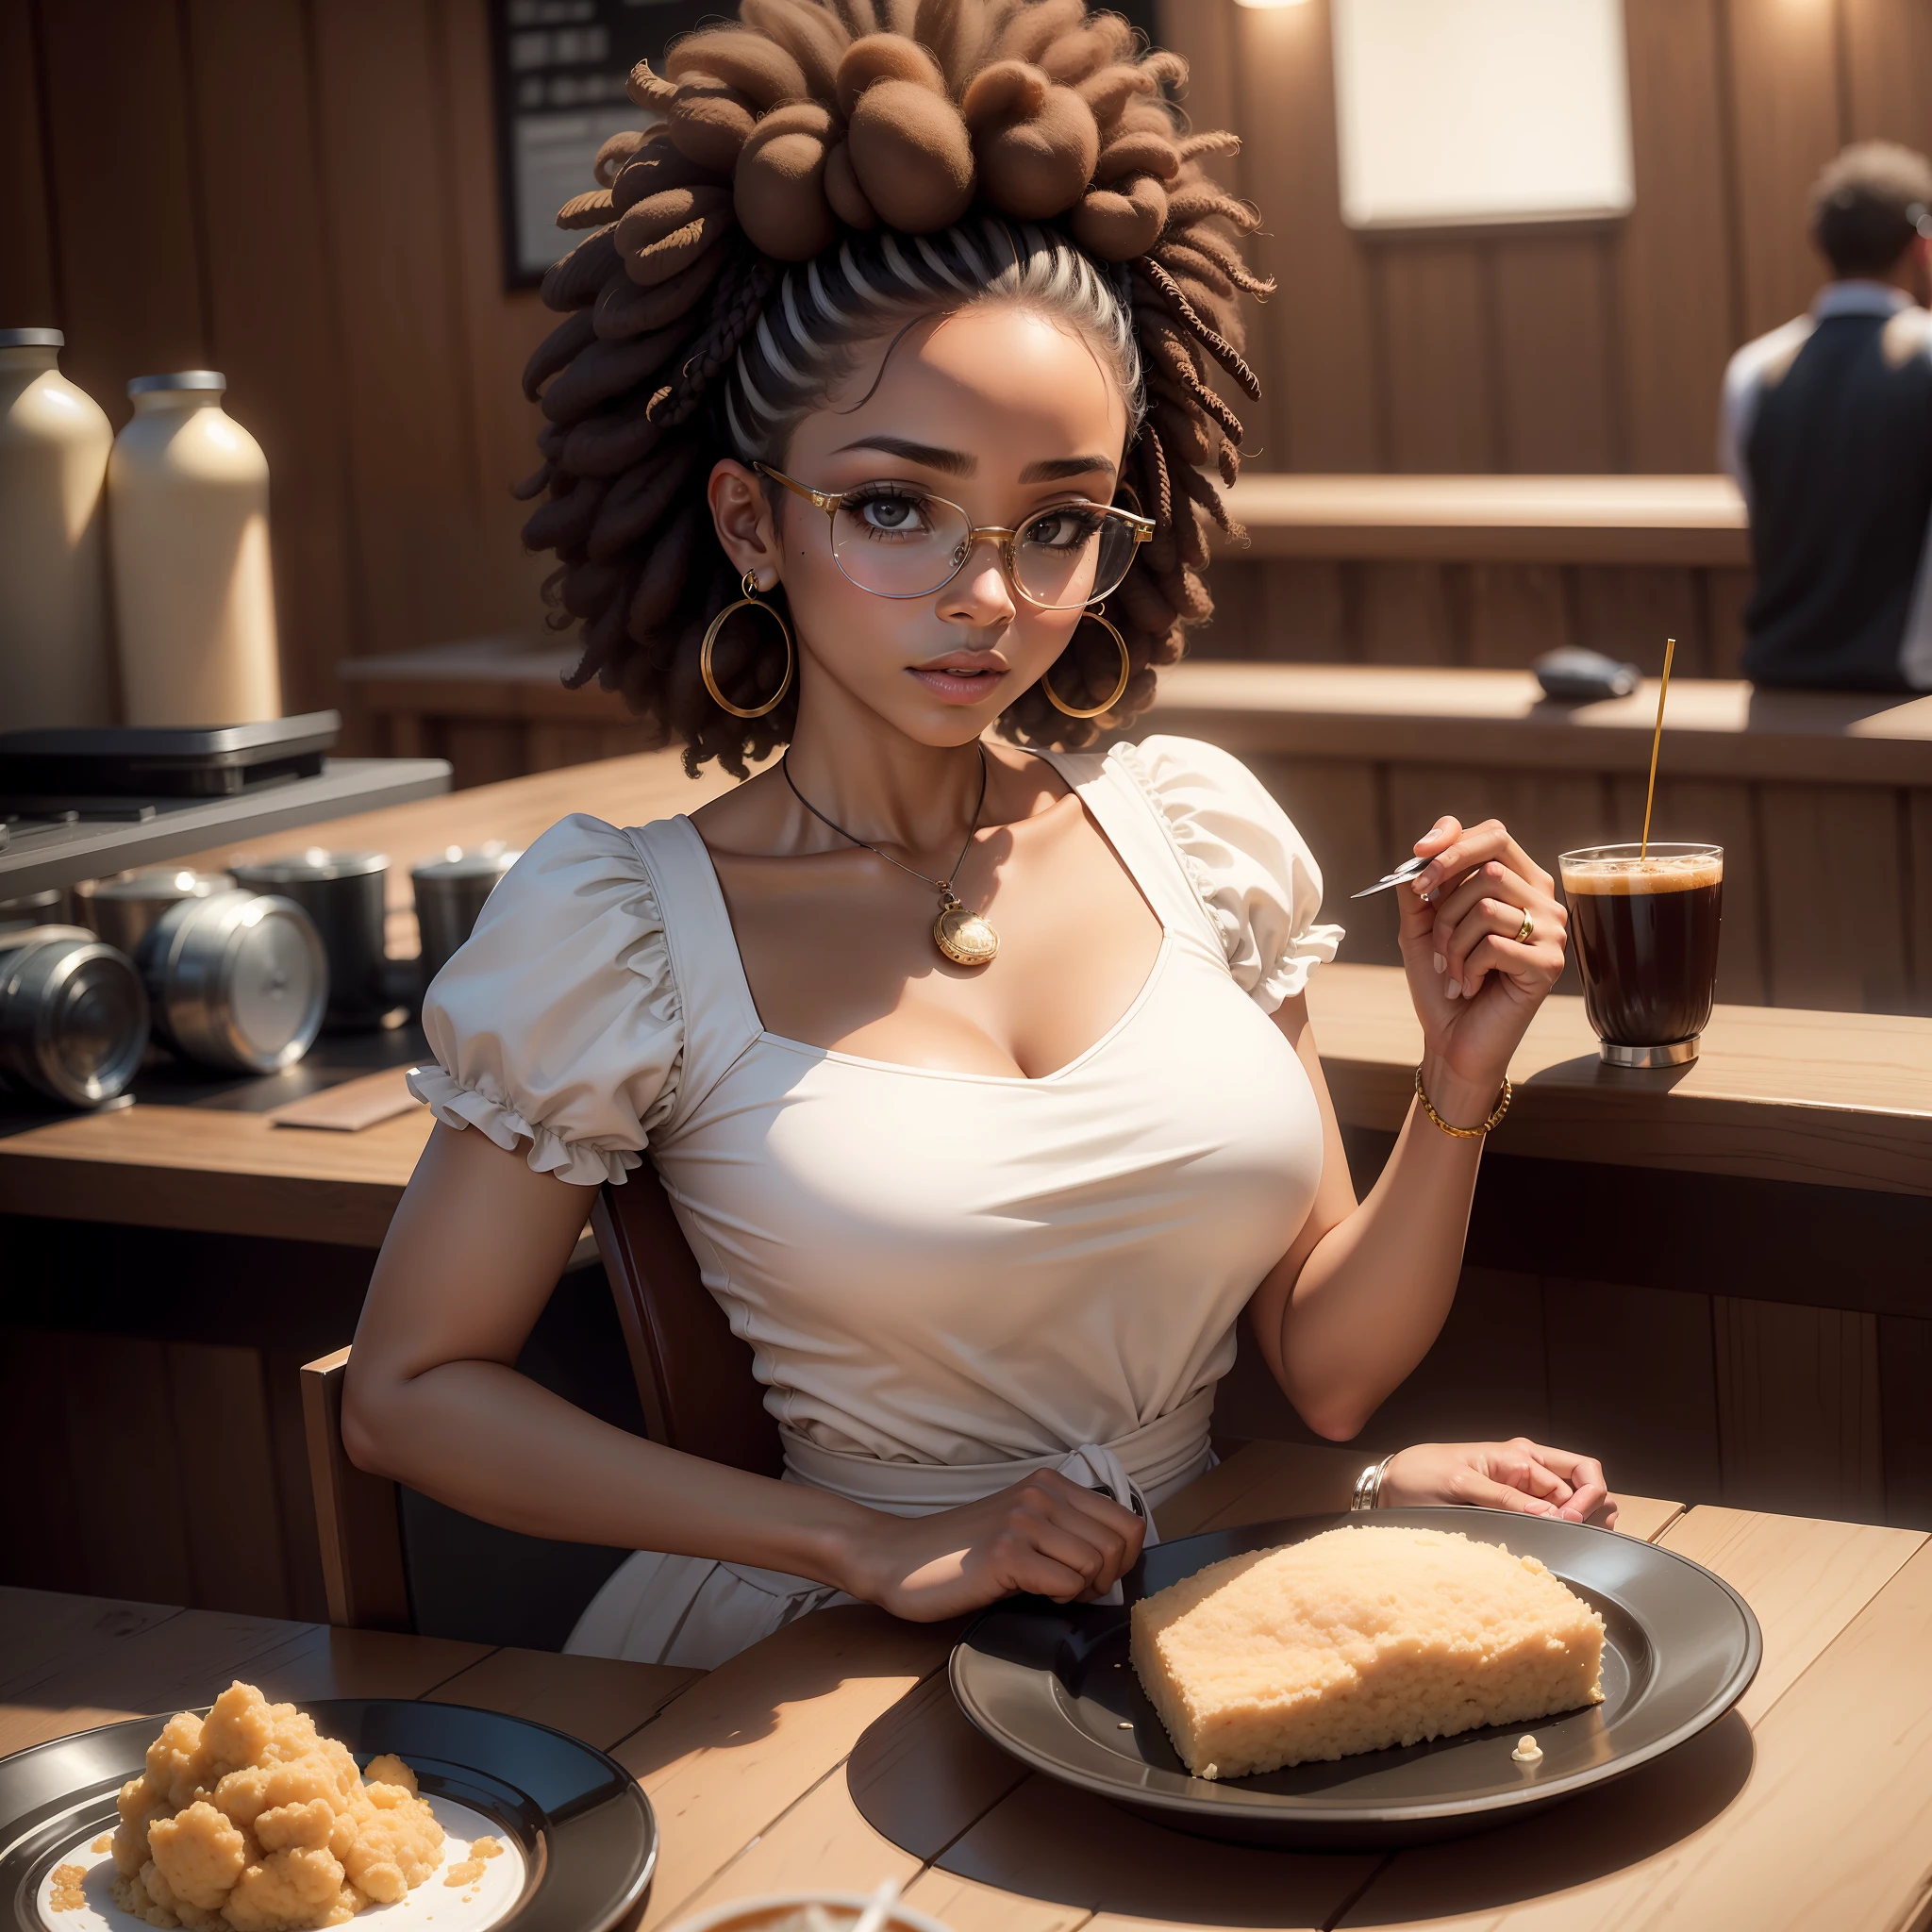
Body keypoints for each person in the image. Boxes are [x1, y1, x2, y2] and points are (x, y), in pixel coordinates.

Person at [342, 0, 1610, 1673]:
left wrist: (1456, 1087)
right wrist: (862, 1538)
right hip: (818, 1652)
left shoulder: (1192, 837)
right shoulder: (625, 927)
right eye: (891, 506)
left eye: (1058, 519)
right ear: (747, 518)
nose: (989, 597)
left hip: (1181, 1611)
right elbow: (406, 1396)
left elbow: (1322, 1364)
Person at [1721, 141, 1932, 691]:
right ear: (1921, 246)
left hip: (1778, 675)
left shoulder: (1754, 371)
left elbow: (1756, 503)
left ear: (1819, 242)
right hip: (1907, 688)